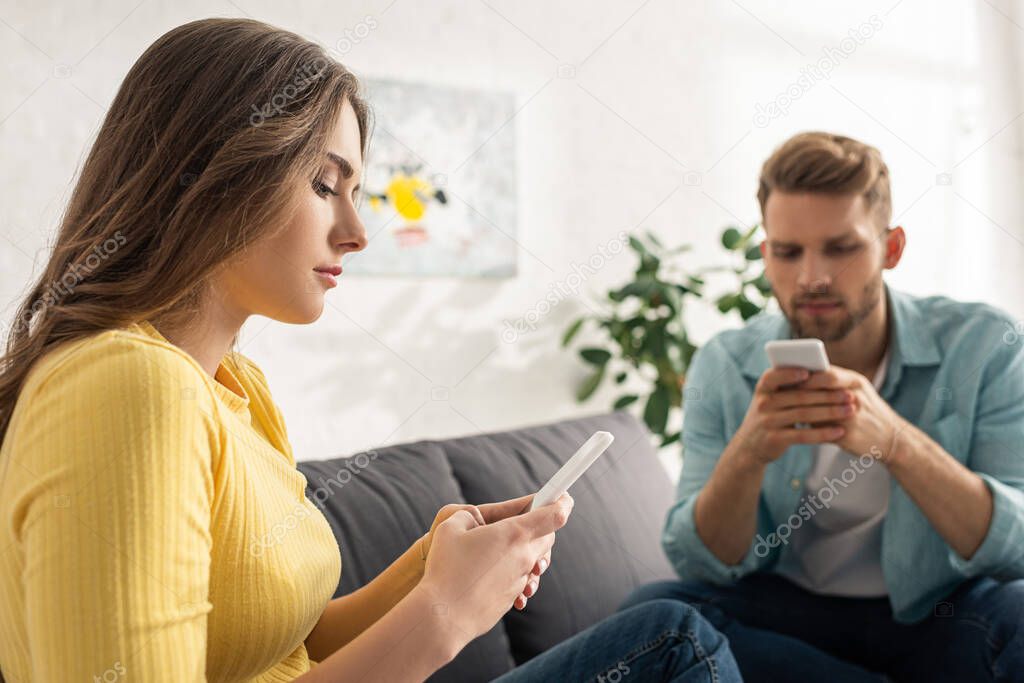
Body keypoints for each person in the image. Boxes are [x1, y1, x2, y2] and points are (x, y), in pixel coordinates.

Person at [0, 18, 741, 682]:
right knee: (675, 642)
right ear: (211, 175)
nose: (357, 231)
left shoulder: (237, 389)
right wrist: (445, 614)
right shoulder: (123, 387)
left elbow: (294, 641)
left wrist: (432, 564)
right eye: (326, 183)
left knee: (671, 633)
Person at [622, 131, 1024, 682]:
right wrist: (748, 452)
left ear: (892, 248)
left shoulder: (985, 344)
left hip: (939, 614)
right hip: (788, 613)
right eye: (788, 252)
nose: (812, 276)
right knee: (654, 615)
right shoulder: (724, 363)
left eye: (841, 247)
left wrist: (897, 442)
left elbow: (1017, 548)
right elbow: (699, 563)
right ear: (766, 256)